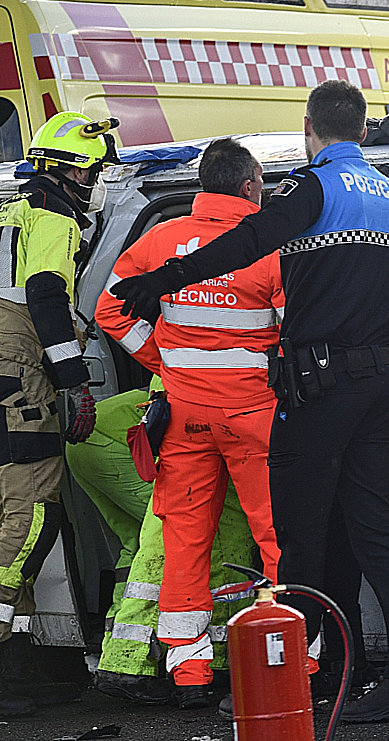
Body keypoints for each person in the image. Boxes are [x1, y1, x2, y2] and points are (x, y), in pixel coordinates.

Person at [110, 80, 389, 724]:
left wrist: (163, 280)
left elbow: (247, 242)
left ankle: (306, 673)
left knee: (297, 534)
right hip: (380, 386)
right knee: (370, 528)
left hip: (320, 386)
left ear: (309, 128)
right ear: (365, 132)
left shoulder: (314, 189)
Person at [95, 137, 282, 708]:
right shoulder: (269, 246)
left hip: (183, 415)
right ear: (251, 187)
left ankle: (189, 673)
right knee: (277, 536)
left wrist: (163, 361)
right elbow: (296, 327)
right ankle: (290, 658)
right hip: (254, 415)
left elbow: (110, 310)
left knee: (184, 542)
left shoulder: (159, 240)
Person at [0, 112, 118, 715]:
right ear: (72, 174)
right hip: (22, 379)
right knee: (31, 515)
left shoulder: (8, 213)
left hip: (5, 376)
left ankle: (18, 663)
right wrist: (75, 383)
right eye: (93, 173)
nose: (94, 185)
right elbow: (47, 298)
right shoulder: (49, 220)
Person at [64, 386, 258, 706]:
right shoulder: (223, 393)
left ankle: (117, 653)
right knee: (174, 539)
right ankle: (131, 666)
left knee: (136, 546)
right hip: (121, 444)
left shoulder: (179, 375)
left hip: (92, 443)